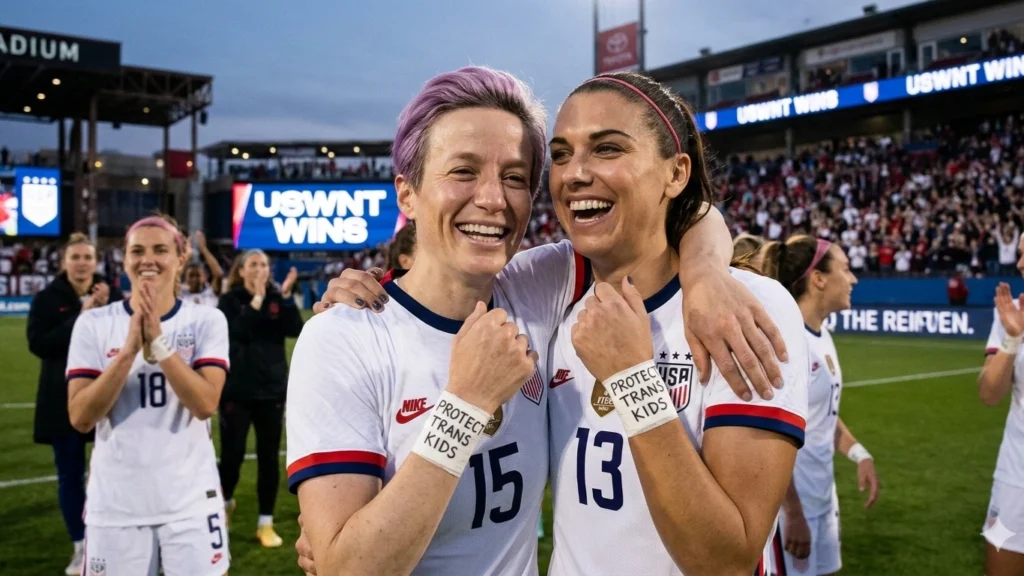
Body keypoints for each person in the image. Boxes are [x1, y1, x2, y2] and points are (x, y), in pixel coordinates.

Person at [300, 70, 806, 576]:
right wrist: (464, 407)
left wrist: (705, 276)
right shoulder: (354, 334)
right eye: (561, 156)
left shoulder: (556, 293)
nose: (494, 199)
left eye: (517, 177)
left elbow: (728, 562)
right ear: (406, 194)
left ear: (675, 172)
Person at [65, 215, 230, 576]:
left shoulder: (207, 320)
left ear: (181, 257)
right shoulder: (93, 324)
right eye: (137, 251)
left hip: (190, 502)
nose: (148, 259)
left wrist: (158, 341)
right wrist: (127, 352)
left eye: (160, 250)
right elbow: (80, 417)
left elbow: (205, 404)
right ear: (124, 259)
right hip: (115, 506)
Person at [760, 235, 880, 575]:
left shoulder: (821, 334)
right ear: (819, 279)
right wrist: (793, 513)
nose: (853, 278)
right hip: (791, 511)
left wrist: (858, 453)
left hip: (822, 500)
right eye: (845, 269)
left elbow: (820, 414)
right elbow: (767, 434)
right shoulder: (784, 343)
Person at [27, 233, 123, 576]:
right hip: (61, 400)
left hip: (107, 397)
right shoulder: (47, 299)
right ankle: (81, 546)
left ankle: (110, 538)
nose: (82, 263)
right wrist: (82, 316)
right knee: (70, 476)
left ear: (95, 261)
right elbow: (39, 344)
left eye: (87, 257)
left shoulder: (111, 295)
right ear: (64, 262)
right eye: (76, 257)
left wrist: (109, 308)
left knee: (111, 472)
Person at [217, 250, 303, 547]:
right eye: (253, 264)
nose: (260, 269)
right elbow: (237, 332)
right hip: (236, 392)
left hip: (272, 391)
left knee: (269, 459)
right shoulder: (229, 301)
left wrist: (288, 297)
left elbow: (295, 329)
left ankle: (265, 522)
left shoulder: (277, 297)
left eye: (264, 264)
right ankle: (224, 504)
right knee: (232, 456)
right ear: (241, 271)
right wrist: (255, 300)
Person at [978, 230, 1024, 576]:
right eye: (1019, 253)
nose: (1019, 263)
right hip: (1014, 477)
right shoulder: (1011, 313)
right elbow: (989, 394)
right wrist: (1012, 337)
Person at [181, 231, 225, 307]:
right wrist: (187, 255)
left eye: (198, 275)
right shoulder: (180, 294)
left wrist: (204, 249)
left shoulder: (211, 292)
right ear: (185, 278)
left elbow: (218, 274)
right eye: (191, 276)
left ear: (205, 277)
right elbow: (173, 278)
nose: (194, 279)